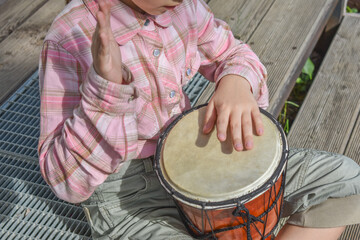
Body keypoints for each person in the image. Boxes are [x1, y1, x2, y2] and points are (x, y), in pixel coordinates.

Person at [38, 0, 360, 239]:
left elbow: (234, 54)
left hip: (195, 159)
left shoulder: (182, 8)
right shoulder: (69, 38)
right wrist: (107, 90)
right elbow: (66, 180)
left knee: (345, 182)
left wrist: (237, 80)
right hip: (128, 196)